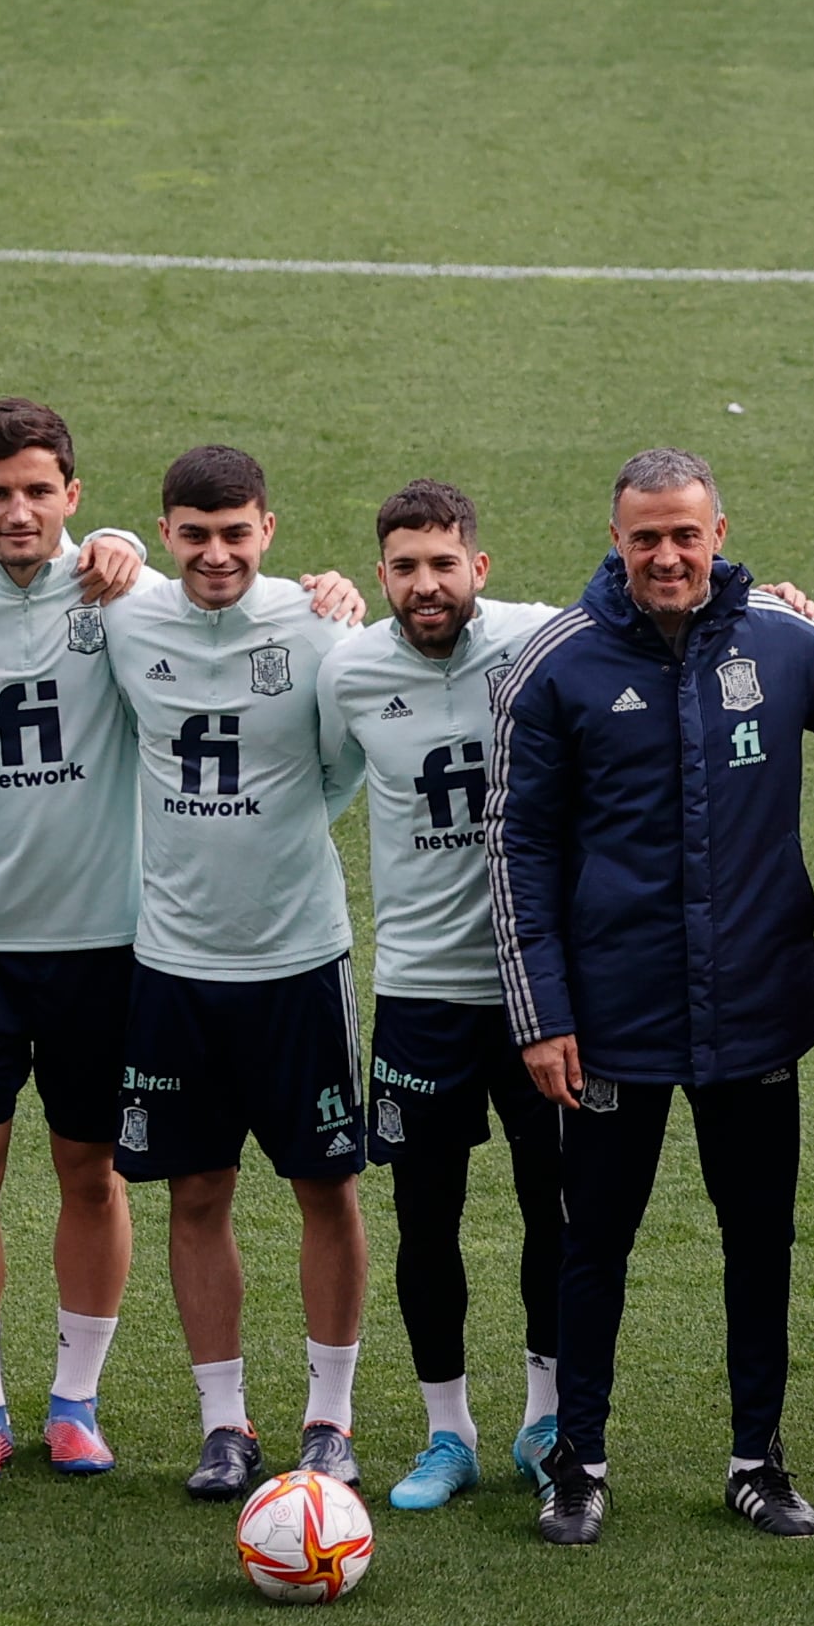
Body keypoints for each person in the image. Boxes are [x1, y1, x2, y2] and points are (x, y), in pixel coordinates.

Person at [497, 449, 814, 1546]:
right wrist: (542, 1011)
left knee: (761, 1237)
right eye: (646, 535)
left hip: (755, 1009)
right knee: (592, 1240)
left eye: (685, 533)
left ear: (720, 531)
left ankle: (757, 1458)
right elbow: (518, 856)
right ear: (616, 538)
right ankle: (578, 1460)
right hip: (608, 1021)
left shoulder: (785, 645)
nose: (667, 554)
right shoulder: (554, 664)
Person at [102, 445, 371, 1497]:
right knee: (196, 1189)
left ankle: (330, 1417)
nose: (217, 553)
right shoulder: (127, 616)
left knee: (326, 1186)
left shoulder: (319, 625)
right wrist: (111, 548)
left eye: (237, 532)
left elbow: (342, 760)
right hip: (173, 963)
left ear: (269, 528)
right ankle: (224, 1422)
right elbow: (54, 557)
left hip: (300, 957)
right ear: (166, 532)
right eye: (194, 533)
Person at [0, 399, 144, 1482]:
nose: (17, 509)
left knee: (91, 1169)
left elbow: (235, 604)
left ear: (73, 497)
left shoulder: (124, 599)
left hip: (104, 939)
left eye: (38, 490)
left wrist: (329, 589)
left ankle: (77, 1400)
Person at [318, 481, 568, 1512]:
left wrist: (772, 604)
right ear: (381, 576)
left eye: (444, 562)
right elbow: (320, 788)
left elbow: (659, 614)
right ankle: (447, 1429)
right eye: (405, 566)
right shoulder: (350, 669)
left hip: (538, 989)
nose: (427, 583)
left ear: (479, 565)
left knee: (556, 1209)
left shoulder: (542, 640)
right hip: (419, 989)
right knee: (428, 1219)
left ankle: (550, 1417)